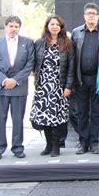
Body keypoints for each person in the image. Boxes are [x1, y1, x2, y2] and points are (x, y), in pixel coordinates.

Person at [0, 16, 35, 160]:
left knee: (18, 119)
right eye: (11, 26)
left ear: (19, 28)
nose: (13, 29)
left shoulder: (27, 43)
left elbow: (30, 64)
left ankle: (18, 147)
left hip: (19, 86)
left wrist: (15, 80)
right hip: (0, 87)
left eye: (16, 26)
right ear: (5, 27)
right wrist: (4, 80)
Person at [30, 15, 75, 157]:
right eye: (52, 24)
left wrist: (68, 86)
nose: (55, 26)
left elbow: (71, 67)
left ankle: (56, 146)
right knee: (44, 117)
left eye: (57, 24)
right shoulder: (39, 43)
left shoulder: (67, 43)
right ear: (47, 26)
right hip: (43, 86)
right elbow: (34, 64)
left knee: (56, 117)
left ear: (61, 27)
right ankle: (48, 145)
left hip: (58, 86)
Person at [72, 3, 99, 155]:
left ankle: (94, 143)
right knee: (81, 113)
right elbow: (72, 57)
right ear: (84, 16)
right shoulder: (76, 33)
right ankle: (83, 143)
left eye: (94, 14)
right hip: (81, 79)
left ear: (98, 16)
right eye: (88, 13)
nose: (91, 16)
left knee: (96, 113)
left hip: (98, 80)